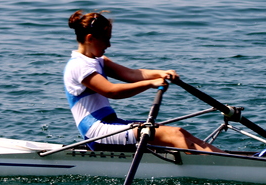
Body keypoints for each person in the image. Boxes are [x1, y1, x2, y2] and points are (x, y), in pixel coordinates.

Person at [64, 10, 222, 152]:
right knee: (173, 136)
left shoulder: (98, 60)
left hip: (112, 125)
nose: (109, 45)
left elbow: (132, 74)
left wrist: (161, 73)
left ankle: (226, 158)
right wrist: (150, 83)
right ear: (90, 38)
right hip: (96, 133)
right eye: (106, 40)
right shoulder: (79, 66)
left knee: (179, 132)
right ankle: (215, 168)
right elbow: (111, 91)